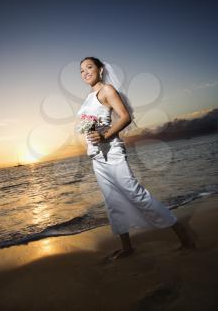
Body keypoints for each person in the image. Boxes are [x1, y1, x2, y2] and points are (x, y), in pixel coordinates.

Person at [77, 56, 195, 262]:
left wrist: (104, 135)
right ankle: (127, 247)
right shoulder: (89, 96)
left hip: (112, 152)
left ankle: (181, 232)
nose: (85, 72)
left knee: (136, 193)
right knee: (112, 201)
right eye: (81, 70)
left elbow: (125, 117)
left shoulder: (108, 90)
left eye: (89, 67)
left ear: (100, 69)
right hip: (97, 156)